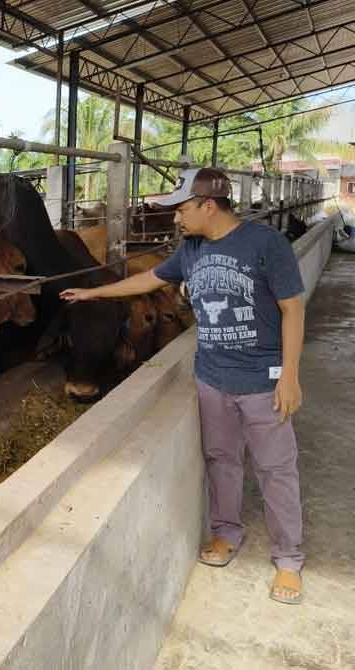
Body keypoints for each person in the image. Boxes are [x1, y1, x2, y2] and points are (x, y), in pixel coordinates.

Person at [60, 167, 306, 605]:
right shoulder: (191, 249)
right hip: (212, 378)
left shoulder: (266, 244)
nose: (176, 218)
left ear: (209, 205)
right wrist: (95, 294)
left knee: (276, 469)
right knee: (221, 460)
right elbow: (150, 280)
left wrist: (289, 375)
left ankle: (288, 559)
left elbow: (292, 309)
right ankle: (227, 535)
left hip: (261, 381)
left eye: (183, 209)